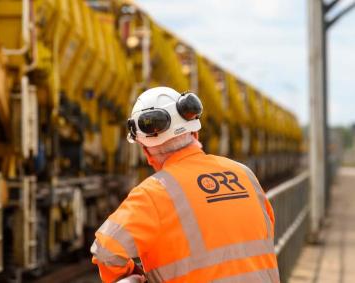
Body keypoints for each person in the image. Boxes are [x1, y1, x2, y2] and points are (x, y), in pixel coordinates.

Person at [91, 87, 279, 282]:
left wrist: (134, 275)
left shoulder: (153, 193)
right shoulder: (245, 174)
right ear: (195, 135)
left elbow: (105, 250)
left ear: (146, 151)